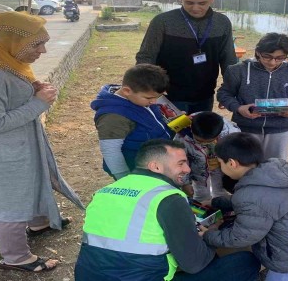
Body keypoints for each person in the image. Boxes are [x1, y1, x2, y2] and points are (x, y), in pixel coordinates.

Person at [0, 11, 84, 273]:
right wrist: (38, 103)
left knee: (33, 182)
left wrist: (32, 89)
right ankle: (16, 257)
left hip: (16, 148)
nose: (44, 50)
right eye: (36, 44)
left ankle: (39, 222)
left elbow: (11, 94)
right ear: (10, 40)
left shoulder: (4, 60)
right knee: (10, 204)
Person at [74, 139, 260, 281]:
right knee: (245, 262)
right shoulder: (168, 197)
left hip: (88, 276)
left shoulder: (104, 191)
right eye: (180, 163)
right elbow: (194, 264)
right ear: (155, 166)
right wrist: (211, 233)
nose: (187, 169)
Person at [202, 133, 288, 281]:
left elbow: (240, 237)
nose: (220, 167)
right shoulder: (269, 176)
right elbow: (257, 203)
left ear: (232, 163)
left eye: (220, 163)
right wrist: (216, 202)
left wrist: (209, 235)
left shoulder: (252, 196)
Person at [136, 0, 237, 114]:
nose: (195, 8)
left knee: (199, 134)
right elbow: (146, 56)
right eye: (189, 2)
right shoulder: (163, 22)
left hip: (205, 95)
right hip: (169, 95)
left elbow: (229, 59)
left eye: (202, 3)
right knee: (171, 135)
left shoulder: (222, 23)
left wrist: (231, 89)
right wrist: (150, 89)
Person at [217, 32, 288, 160]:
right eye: (267, 56)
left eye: (280, 58)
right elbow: (224, 94)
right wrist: (239, 108)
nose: (272, 62)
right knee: (245, 167)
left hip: (280, 131)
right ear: (258, 52)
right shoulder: (238, 71)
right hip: (246, 129)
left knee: (274, 168)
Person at [90, 64, 172, 180]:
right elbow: (111, 151)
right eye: (149, 98)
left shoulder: (138, 96)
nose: (154, 102)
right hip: (136, 171)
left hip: (155, 163)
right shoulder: (113, 117)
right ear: (127, 91)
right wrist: (124, 178)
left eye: (157, 97)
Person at [174, 111, 240, 203]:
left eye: (208, 141)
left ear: (218, 135)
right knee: (200, 196)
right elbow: (181, 160)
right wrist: (185, 184)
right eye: (198, 140)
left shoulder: (232, 135)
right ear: (192, 130)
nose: (203, 144)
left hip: (221, 170)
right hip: (198, 173)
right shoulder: (182, 135)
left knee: (220, 193)